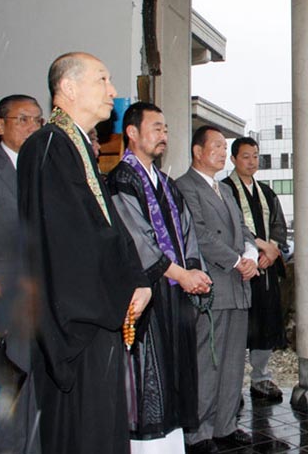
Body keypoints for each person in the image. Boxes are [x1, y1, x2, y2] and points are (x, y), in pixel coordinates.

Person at [17, 52, 152, 454]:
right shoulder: (48, 146)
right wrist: (126, 284)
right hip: (77, 322)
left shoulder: (74, 144)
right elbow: (70, 240)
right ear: (69, 88)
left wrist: (138, 279)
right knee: (83, 435)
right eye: (102, 79)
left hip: (97, 314)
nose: (113, 90)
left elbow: (107, 226)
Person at [107, 102, 213, 453]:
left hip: (175, 295)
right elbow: (137, 240)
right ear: (132, 132)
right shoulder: (121, 180)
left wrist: (194, 271)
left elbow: (187, 231)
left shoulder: (166, 183)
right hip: (146, 296)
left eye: (166, 129)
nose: (163, 135)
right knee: (149, 383)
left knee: (176, 380)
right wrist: (181, 274)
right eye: (156, 128)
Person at [176, 126, 259, 454]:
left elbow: (243, 229)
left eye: (226, 147)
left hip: (238, 287)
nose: (224, 153)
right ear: (198, 151)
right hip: (211, 288)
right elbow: (198, 233)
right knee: (207, 362)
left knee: (233, 362)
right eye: (218, 147)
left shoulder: (224, 189)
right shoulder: (185, 187)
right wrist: (237, 260)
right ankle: (199, 432)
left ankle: (225, 425)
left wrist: (251, 255)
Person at [0, 94, 43, 453]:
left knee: (36, 389)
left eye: (37, 120)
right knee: (6, 387)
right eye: (22, 119)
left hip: (41, 298)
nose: (31, 127)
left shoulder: (43, 170)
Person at [222, 137, 288, 403]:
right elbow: (230, 228)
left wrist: (272, 251)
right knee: (238, 328)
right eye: (246, 156)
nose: (252, 162)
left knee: (265, 323)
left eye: (255, 156)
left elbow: (279, 226)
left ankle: (260, 378)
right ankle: (232, 387)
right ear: (233, 159)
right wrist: (259, 247)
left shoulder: (266, 192)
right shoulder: (225, 190)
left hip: (266, 270)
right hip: (240, 268)